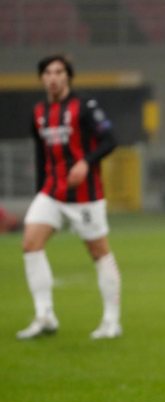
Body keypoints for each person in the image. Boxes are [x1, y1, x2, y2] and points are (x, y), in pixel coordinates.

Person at [17, 55, 121, 340]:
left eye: (59, 72)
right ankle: (45, 316)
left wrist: (86, 162)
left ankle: (111, 322)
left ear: (68, 77)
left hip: (85, 196)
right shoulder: (39, 112)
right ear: (42, 78)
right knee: (30, 244)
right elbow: (41, 154)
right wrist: (39, 191)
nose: (53, 77)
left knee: (99, 253)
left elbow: (110, 140)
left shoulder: (85, 107)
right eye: (48, 73)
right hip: (52, 192)